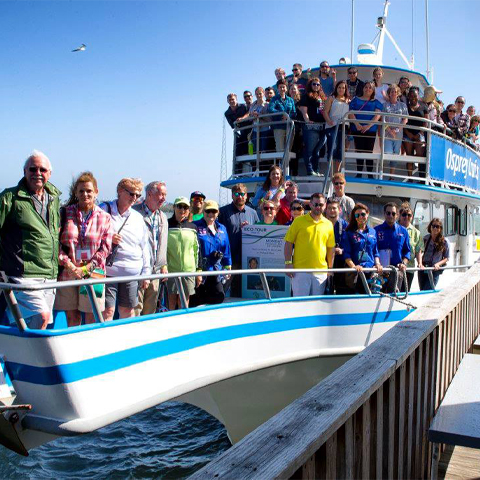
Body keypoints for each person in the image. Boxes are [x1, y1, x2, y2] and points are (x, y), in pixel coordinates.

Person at [0, 151, 61, 329]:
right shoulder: (9, 198)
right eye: (32, 169)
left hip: (49, 274)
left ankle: (20, 355)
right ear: (25, 171)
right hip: (22, 275)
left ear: (49, 173)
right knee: (41, 316)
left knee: (36, 322)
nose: (38, 173)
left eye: (42, 169)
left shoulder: (54, 199)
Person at [55, 172, 113, 327]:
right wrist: (70, 265)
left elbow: (105, 248)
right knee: (72, 319)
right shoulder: (65, 213)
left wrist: (86, 269)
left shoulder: (105, 217)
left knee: (91, 318)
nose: (85, 194)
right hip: (69, 272)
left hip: (94, 273)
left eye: (89, 191)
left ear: (96, 192)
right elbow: (56, 243)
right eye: (81, 191)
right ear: (76, 193)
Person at [100, 178, 151, 321]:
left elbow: (144, 246)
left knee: (128, 311)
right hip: (108, 271)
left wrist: (146, 273)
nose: (134, 198)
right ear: (120, 192)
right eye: (131, 194)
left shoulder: (138, 218)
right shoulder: (103, 210)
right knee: (107, 311)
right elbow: (91, 235)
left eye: (138, 195)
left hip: (131, 272)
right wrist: (109, 238)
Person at [284, 193, 335, 296]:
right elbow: (288, 242)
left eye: (321, 205)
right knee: (299, 305)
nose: (318, 207)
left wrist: (330, 268)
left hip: (320, 272)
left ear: (325, 205)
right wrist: (288, 263)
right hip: (300, 271)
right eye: (315, 204)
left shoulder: (329, 224)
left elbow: (330, 248)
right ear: (310, 205)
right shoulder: (298, 221)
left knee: (317, 305)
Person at [133, 181, 169, 316]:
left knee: (150, 310)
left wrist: (163, 265)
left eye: (165, 195)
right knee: (135, 310)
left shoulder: (163, 217)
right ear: (149, 194)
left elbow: (162, 243)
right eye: (161, 194)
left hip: (155, 272)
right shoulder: (135, 214)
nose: (164, 198)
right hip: (138, 271)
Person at [218, 184, 259, 297]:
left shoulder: (253, 213)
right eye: (236, 194)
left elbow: (259, 233)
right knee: (222, 291)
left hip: (248, 260)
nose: (239, 196)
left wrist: (249, 228)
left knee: (243, 293)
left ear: (246, 196)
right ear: (232, 195)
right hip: (229, 260)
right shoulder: (223, 212)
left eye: (242, 194)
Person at [191, 200, 231, 306]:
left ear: (218, 213)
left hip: (216, 269)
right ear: (203, 212)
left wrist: (228, 265)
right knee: (197, 300)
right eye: (208, 211)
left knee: (218, 296)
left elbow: (226, 248)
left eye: (213, 211)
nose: (211, 214)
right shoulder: (195, 226)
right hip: (201, 269)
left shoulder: (222, 228)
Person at [166, 197, 201, 309]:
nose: (182, 209)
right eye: (179, 206)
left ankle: (183, 323)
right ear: (174, 207)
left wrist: (199, 270)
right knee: (171, 301)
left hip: (188, 270)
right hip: (171, 270)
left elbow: (197, 250)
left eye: (185, 207)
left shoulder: (193, 227)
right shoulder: (166, 225)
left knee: (184, 301)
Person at [343, 203, 383, 293]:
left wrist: (378, 264)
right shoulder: (349, 232)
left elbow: (375, 252)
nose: (360, 217)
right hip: (357, 273)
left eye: (363, 214)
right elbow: (346, 255)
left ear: (367, 214)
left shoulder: (373, 231)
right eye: (357, 215)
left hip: (370, 271)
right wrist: (354, 267)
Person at [374, 202, 411, 293]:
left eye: (393, 213)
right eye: (388, 213)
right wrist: (377, 264)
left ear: (397, 215)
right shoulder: (376, 230)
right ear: (384, 214)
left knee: (393, 296)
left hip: (396, 271)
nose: (391, 215)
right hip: (379, 271)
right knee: (377, 295)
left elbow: (407, 251)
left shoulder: (403, 231)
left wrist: (404, 263)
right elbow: (373, 250)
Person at [348, 81, 382, 177]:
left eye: (370, 88)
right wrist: (357, 124)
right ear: (363, 88)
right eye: (366, 87)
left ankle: (369, 174)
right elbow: (351, 113)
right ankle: (359, 173)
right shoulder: (355, 100)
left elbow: (377, 115)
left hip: (370, 130)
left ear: (373, 90)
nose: (368, 89)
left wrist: (368, 126)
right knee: (359, 150)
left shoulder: (376, 102)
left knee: (369, 152)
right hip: (357, 129)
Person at [298, 77, 328, 176]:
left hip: (323, 126)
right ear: (310, 85)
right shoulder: (306, 96)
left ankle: (316, 170)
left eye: (318, 84)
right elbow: (303, 111)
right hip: (312, 126)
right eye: (314, 84)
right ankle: (310, 170)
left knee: (317, 150)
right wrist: (307, 121)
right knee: (309, 150)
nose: (316, 86)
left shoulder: (323, 97)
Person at [324, 80, 350, 173]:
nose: (341, 89)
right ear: (336, 88)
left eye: (343, 87)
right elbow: (325, 111)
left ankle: (336, 172)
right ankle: (330, 172)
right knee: (332, 147)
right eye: (339, 87)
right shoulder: (331, 98)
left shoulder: (348, 100)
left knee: (340, 149)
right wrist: (329, 121)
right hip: (332, 125)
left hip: (344, 127)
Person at [382, 84, 408, 176]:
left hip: (398, 133)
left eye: (395, 91)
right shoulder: (385, 105)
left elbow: (405, 119)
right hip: (387, 132)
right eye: (392, 91)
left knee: (396, 154)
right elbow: (383, 119)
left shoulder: (403, 105)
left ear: (398, 93)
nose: (393, 93)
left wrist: (397, 130)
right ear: (389, 93)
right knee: (388, 152)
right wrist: (389, 130)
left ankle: (391, 176)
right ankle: (384, 172)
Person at [418, 218, 450, 290]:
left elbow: (446, 258)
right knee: (422, 291)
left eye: (437, 226)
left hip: (434, 270)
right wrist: (420, 263)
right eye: (434, 226)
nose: (435, 228)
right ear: (430, 227)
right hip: (423, 269)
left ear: (440, 228)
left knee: (427, 290)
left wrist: (438, 264)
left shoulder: (445, 241)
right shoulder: (425, 238)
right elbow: (419, 251)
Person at [404, 87, 429, 177]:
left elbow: (426, 122)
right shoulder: (405, 107)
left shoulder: (424, 106)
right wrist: (408, 133)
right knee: (409, 155)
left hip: (420, 135)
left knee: (420, 155)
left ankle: (420, 177)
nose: (413, 97)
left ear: (418, 96)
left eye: (415, 95)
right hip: (408, 134)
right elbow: (403, 121)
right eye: (411, 95)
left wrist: (420, 133)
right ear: (408, 96)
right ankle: (410, 178)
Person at [398, 203, 423, 292]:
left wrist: (420, 263)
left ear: (412, 217)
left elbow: (418, 250)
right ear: (400, 215)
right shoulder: (394, 228)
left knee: (404, 292)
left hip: (409, 268)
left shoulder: (416, 232)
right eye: (404, 214)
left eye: (409, 215)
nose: (406, 217)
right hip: (395, 267)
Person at [325, 199, 348, 294]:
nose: (331, 210)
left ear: (340, 210)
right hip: (324, 262)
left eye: (334, 208)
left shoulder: (346, 226)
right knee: (325, 290)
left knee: (340, 290)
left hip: (340, 262)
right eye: (329, 208)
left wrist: (342, 250)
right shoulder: (322, 224)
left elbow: (350, 245)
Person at [268, 79, 296, 152]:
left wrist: (288, 117)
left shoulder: (290, 100)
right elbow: (270, 109)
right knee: (280, 149)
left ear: (286, 88)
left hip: (289, 127)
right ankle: (281, 163)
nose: (282, 89)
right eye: (280, 87)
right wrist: (282, 114)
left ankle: (287, 164)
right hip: (278, 127)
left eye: (283, 87)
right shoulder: (274, 99)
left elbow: (294, 112)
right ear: (277, 88)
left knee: (288, 149)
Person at [288, 83, 303, 175]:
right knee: (289, 150)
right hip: (288, 129)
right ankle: (288, 170)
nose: (293, 90)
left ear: (297, 91)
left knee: (296, 150)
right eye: (291, 89)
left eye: (294, 89)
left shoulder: (301, 102)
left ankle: (295, 171)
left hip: (298, 129)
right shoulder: (286, 102)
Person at [249, 87, 270, 153]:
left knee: (263, 150)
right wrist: (252, 115)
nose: (258, 95)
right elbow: (249, 119)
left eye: (260, 93)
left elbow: (270, 119)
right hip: (255, 130)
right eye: (257, 94)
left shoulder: (267, 105)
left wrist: (260, 115)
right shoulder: (252, 105)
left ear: (263, 94)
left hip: (265, 129)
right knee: (255, 151)